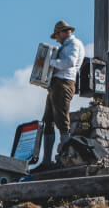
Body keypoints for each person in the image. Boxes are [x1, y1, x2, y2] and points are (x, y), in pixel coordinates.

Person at [35, 20, 85, 170]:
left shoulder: (74, 45)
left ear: (61, 33)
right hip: (57, 84)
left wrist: (50, 62)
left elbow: (69, 62)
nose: (56, 39)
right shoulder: (68, 45)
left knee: (62, 120)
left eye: (56, 36)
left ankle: (65, 158)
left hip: (64, 83)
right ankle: (47, 161)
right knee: (48, 120)